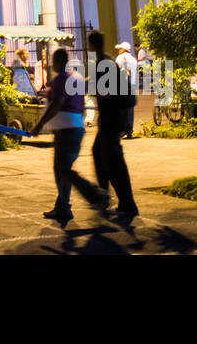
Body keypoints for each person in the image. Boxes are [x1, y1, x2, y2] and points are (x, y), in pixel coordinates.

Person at [36, 48, 106, 225]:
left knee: (64, 170)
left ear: (58, 62)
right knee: (62, 169)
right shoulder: (77, 77)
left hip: (66, 131)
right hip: (74, 128)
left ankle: (95, 195)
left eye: (54, 61)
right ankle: (63, 206)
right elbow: (79, 103)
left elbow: (57, 104)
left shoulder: (62, 79)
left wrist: (39, 124)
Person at [88, 30, 138, 221]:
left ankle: (126, 203)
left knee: (114, 162)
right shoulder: (105, 61)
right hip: (110, 119)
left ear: (92, 45)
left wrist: (99, 92)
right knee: (100, 154)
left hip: (111, 120)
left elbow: (107, 91)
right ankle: (106, 197)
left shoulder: (104, 63)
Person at [115, 42, 138, 138]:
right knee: (130, 108)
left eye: (120, 49)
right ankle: (129, 131)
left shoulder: (119, 58)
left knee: (121, 107)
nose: (119, 50)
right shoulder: (133, 60)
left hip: (122, 84)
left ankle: (122, 130)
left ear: (124, 49)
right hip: (132, 85)